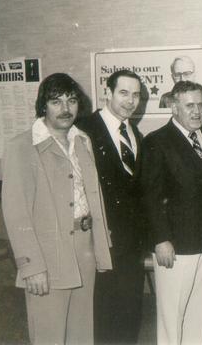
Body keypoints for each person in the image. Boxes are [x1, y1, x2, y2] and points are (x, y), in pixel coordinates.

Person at [1, 73, 112, 345]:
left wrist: (100, 248)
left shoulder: (82, 141)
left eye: (72, 100)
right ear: (43, 106)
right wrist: (32, 267)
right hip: (47, 257)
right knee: (49, 335)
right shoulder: (21, 147)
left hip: (83, 249)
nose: (65, 109)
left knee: (81, 334)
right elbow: (16, 214)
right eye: (56, 101)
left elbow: (93, 198)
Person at [141, 80, 202, 345]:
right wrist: (160, 239)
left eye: (201, 104)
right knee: (172, 311)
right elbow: (150, 197)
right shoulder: (156, 141)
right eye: (189, 105)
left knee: (199, 306)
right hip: (174, 242)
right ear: (173, 107)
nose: (197, 111)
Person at [77, 69, 145, 344]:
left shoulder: (134, 132)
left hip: (131, 241)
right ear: (107, 92)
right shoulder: (84, 129)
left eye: (136, 95)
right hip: (99, 238)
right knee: (101, 312)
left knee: (130, 309)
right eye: (124, 93)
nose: (130, 101)